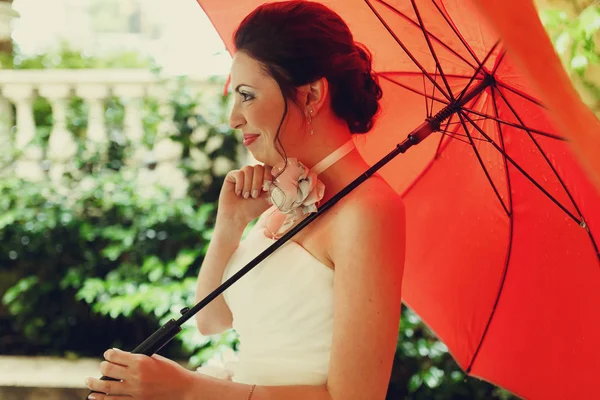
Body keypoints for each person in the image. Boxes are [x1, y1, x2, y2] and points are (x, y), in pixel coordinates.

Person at [84, 1, 405, 399]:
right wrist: (230, 226)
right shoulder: (285, 198)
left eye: (247, 95)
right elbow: (212, 319)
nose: (233, 117)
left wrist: (186, 389)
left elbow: (355, 397)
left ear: (311, 95)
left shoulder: (367, 209)